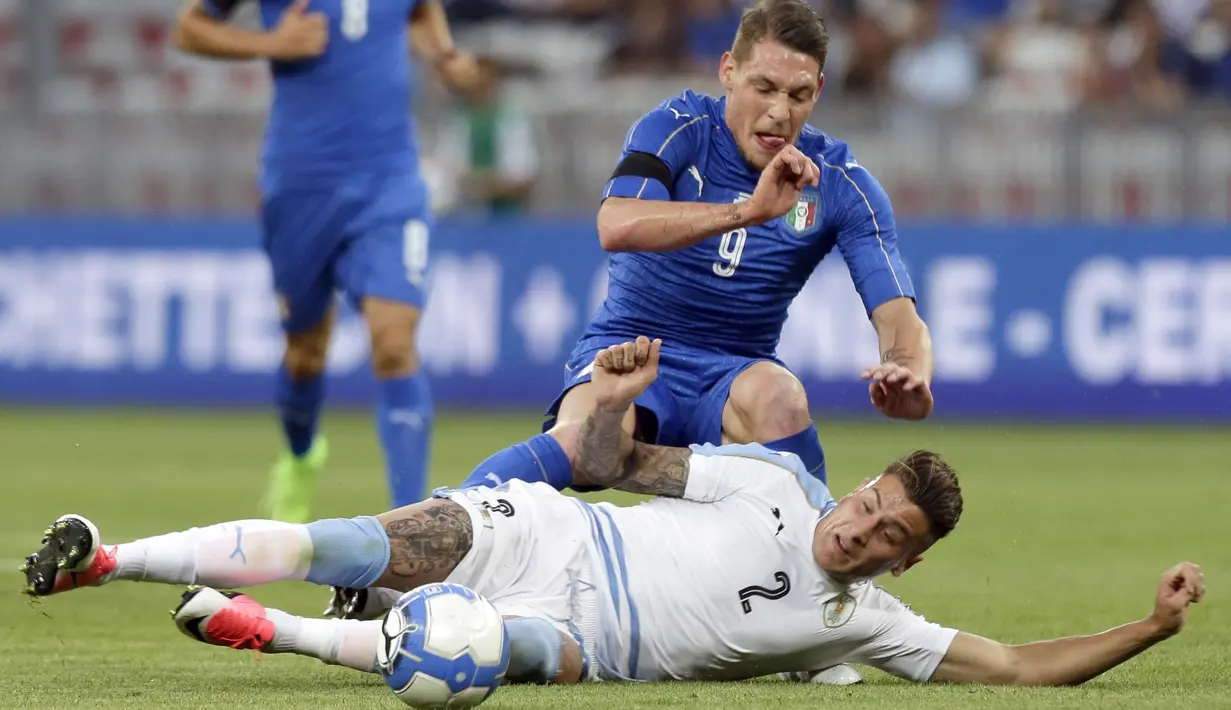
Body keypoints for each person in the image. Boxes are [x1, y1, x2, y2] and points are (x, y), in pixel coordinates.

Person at [21, 338, 1204, 689]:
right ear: (854, 484)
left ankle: (265, 627)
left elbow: (1014, 664)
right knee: (355, 539)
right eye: (867, 499)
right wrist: (611, 404)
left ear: (909, 554)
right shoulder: (767, 482)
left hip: (589, 640)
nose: (859, 526)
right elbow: (607, 463)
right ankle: (109, 556)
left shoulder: (866, 624)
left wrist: (1147, 626)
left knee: (479, 654)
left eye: (889, 533)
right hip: (549, 532)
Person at [454, 0, 930, 503]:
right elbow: (616, 224)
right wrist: (748, 211)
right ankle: (450, 518)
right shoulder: (679, 126)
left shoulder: (839, 182)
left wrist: (907, 369)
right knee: (581, 440)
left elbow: (898, 315)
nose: (779, 112)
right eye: (764, 87)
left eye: (799, 95)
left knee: (781, 400)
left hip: (735, 371)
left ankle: (816, 567)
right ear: (729, 70)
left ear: (819, 91)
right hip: (629, 348)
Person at [172, 0, 481, 520]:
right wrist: (270, 44)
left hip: (390, 182)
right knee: (304, 354)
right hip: (301, 187)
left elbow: (421, 10)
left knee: (394, 342)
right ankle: (300, 455)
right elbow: (189, 28)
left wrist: (444, 53)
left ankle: (407, 527)